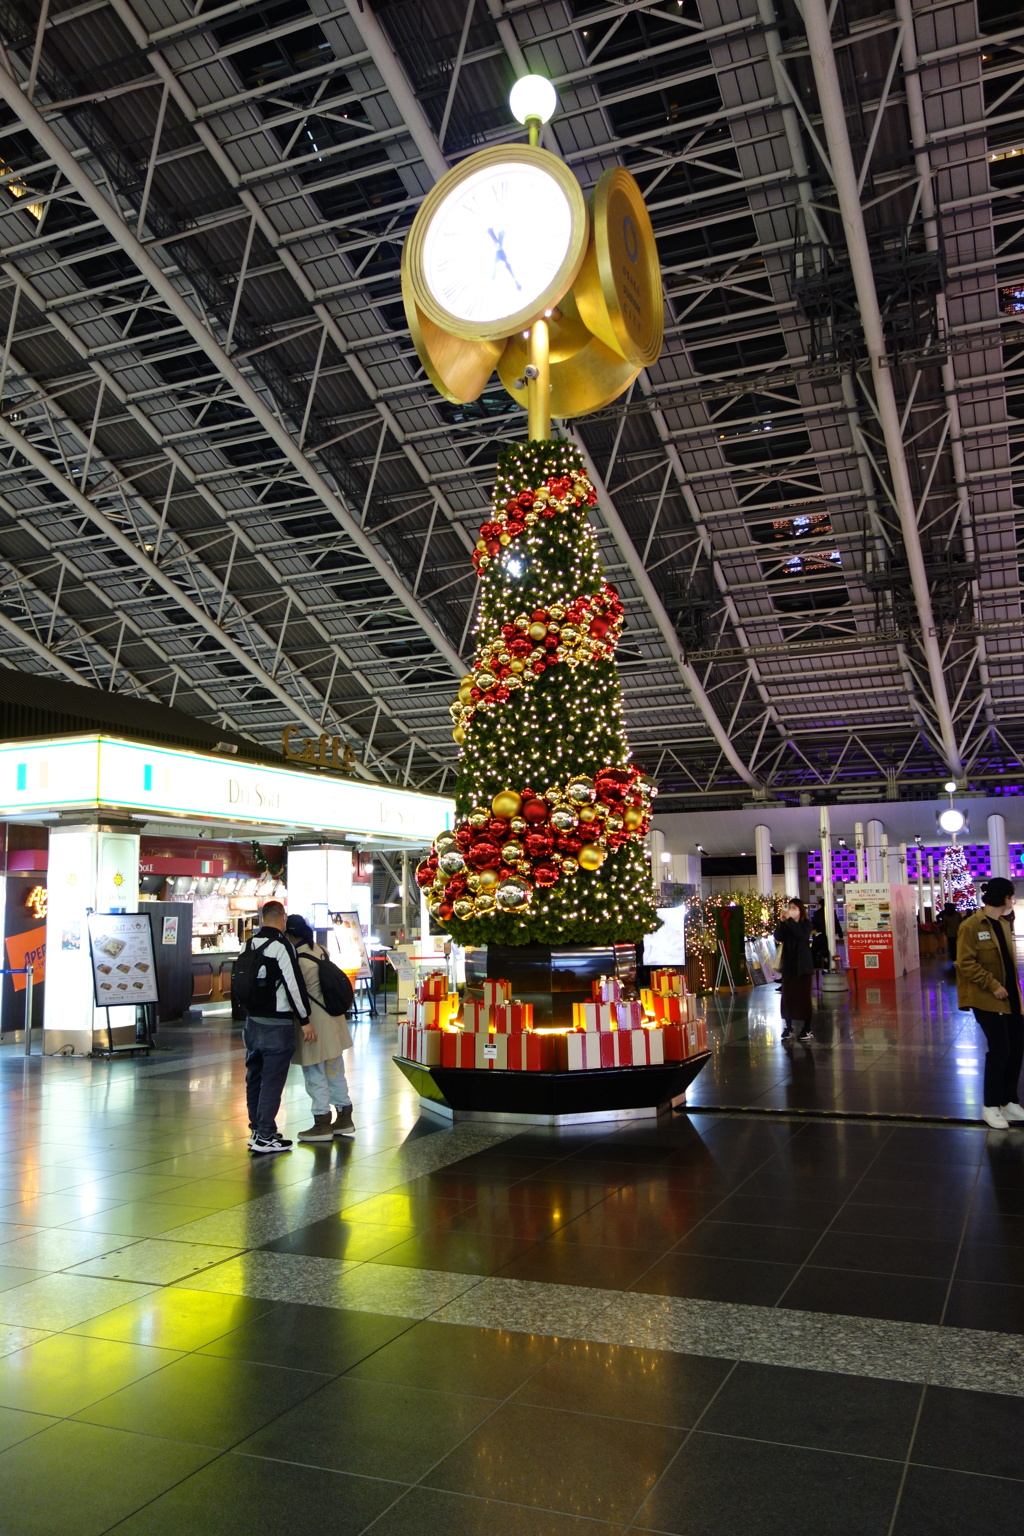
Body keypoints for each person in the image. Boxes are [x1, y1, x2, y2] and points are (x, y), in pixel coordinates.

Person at [236, 899, 310, 1154]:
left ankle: (257, 1129)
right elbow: (293, 984)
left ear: (262, 917)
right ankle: (266, 1136)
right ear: (283, 918)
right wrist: (305, 1020)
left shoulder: (250, 943)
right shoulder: (281, 945)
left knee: (254, 1077)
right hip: (277, 1024)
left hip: (252, 1022)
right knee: (272, 1081)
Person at [956, 877, 1024, 1130]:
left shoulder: (1004, 924)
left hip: (1012, 998)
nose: (1012, 901)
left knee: (1017, 1047)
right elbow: (965, 962)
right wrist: (992, 984)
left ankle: (1009, 1101)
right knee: (1000, 1050)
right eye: (1011, 896)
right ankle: (991, 1105)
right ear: (1003, 897)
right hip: (986, 997)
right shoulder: (971, 925)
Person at [285, 913, 356, 1142]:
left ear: (289, 935)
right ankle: (344, 1116)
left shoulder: (297, 960)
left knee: (314, 1071)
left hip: (313, 1023)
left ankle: (321, 1122)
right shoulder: (321, 950)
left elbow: (295, 994)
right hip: (334, 1020)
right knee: (335, 1070)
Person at [774, 897, 814, 1043]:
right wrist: (781, 922)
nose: (791, 910)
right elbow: (778, 937)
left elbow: (802, 935)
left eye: (794, 908)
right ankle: (788, 1026)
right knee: (787, 998)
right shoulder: (787, 924)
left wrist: (790, 921)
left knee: (803, 998)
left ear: (800, 911)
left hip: (803, 967)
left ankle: (807, 1028)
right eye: (789, 907)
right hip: (789, 966)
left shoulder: (806, 924)